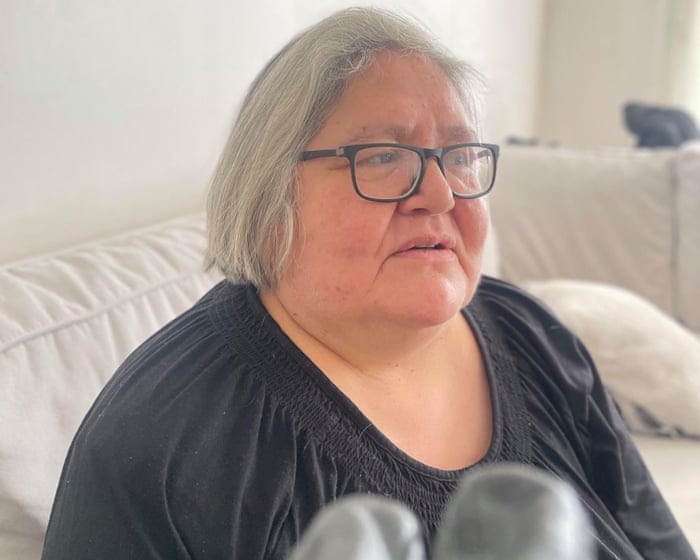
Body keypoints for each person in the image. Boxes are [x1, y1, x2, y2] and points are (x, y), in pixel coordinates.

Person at [42, 7, 696, 560]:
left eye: (460, 155)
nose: (440, 194)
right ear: (270, 202)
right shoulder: (163, 442)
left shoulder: (536, 338)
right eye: (383, 157)